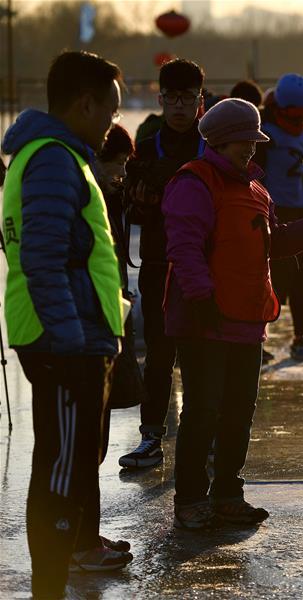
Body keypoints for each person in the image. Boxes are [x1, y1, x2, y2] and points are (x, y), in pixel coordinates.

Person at [162, 98, 303, 528]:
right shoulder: (195, 182)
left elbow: (274, 241)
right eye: (241, 142)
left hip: (247, 322)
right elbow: (184, 247)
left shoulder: (256, 190)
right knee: (202, 412)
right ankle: (190, 500)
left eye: (253, 142)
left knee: (238, 412)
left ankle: (228, 492)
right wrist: (202, 299)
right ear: (219, 141)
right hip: (206, 322)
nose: (249, 149)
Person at [1, 50, 133, 598]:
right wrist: (74, 343)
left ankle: (52, 582)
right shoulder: (55, 159)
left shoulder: (58, 156)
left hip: (72, 338)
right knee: (60, 471)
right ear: (84, 104)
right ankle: (48, 589)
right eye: (110, 110)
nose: (112, 123)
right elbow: (43, 258)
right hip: (63, 341)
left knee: (69, 467)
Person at [119, 58, 206, 469]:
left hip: (205, 269)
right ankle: (151, 438)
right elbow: (130, 213)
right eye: (171, 98)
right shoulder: (146, 147)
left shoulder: (214, 147)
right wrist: (138, 201)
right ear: (160, 99)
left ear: (199, 100)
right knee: (157, 355)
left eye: (187, 98)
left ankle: (203, 439)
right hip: (157, 265)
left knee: (201, 355)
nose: (179, 107)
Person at [256, 74, 303, 362]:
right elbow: (256, 173)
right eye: (297, 114)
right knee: (267, 277)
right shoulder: (266, 135)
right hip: (272, 214)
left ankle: (299, 336)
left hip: (300, 210)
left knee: (300, 278)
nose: (302, 119)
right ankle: (258, 337)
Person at [97, 125, 148, 411]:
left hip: (114, 307)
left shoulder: (112, 196)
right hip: (99, 316)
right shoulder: (90, 197)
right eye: (118, 163)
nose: (123, 173)